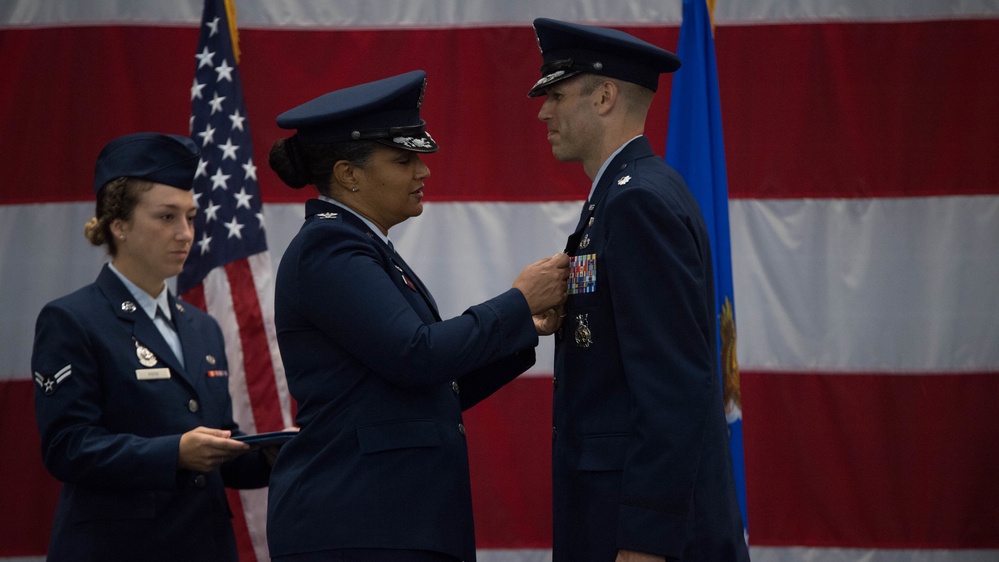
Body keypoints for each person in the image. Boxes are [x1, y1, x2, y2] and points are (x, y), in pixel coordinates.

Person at [265, 70, 569, 562]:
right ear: (349, 174)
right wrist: (517, 301)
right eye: (404, 159)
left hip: (388, 523)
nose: (423, 172)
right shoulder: (330, 248)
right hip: (359, 528)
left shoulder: (361, 246)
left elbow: (427, 389)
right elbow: (417, 354)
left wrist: (522, 328)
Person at [527, 18, 750, 562]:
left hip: (643, 536)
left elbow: (673, 385)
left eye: (556, 94)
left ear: (604, 96)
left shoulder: (636, 203)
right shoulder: (623, 195)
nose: (543, 111)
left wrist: (646, 541)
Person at [31, 132, 275, 561]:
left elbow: (219, 445)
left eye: (191, 217)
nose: (185, 234)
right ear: (118, 225)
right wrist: (174, 453)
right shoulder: (73, 320)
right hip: (120, 548)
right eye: (166, 217)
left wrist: (274, 453)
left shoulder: (202, 327)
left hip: (205, 545)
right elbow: (67, 447)